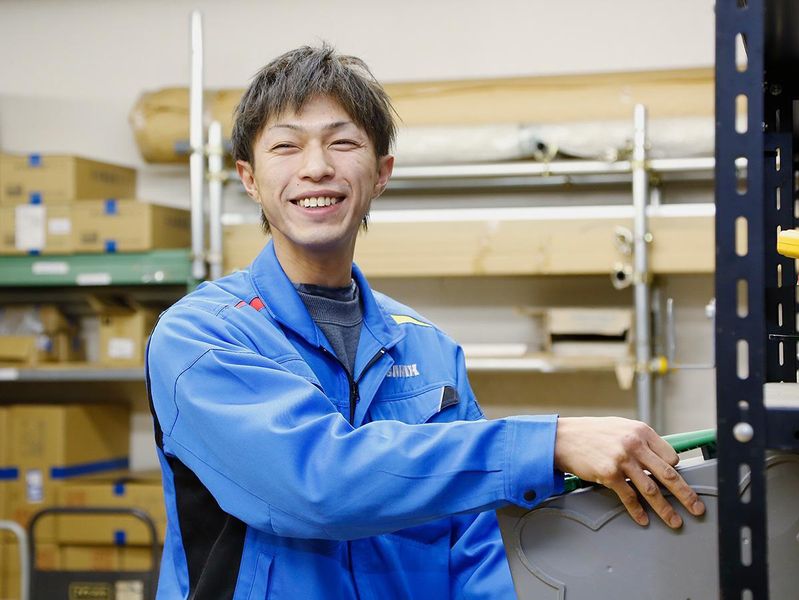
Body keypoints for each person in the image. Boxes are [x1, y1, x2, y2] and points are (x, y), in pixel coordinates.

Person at [146, 44, 706, 599]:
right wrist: (548, 443)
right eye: (286, 146)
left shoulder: (426, 346)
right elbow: (315, 485)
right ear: (248, 178)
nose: (316, 168)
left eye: (343, 142)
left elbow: (475, 541)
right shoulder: (201, 337)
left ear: (382, 172)